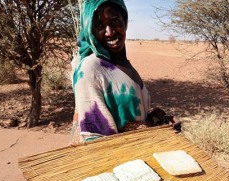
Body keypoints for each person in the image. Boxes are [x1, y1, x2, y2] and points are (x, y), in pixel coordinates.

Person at [70, 0, 180, 145]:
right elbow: (97, 140)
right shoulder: (90, 69)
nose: (110, 32)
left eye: (115, 21)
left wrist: (161, 122)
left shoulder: (123, 65)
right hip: (119, 161)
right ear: (91, 31)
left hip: (140, 153)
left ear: (125, 22)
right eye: (100, 26)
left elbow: (133, 117)